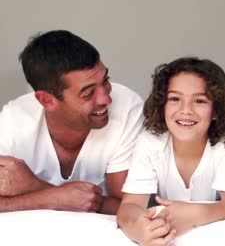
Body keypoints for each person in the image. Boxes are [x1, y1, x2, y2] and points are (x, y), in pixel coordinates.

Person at [0, 30, 143, 214]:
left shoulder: (127, 107)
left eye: (105, 80)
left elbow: (130, 208)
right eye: (88, 93)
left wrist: (34, 186)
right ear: (46, 100)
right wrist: (51, 196)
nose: (106, 99)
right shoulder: (14, 119)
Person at [117, 57, 225, 245]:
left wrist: (194, 213)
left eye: (200, 101)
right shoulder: (149, 143)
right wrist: (139, 229)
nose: (186, 110)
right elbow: (130, 205)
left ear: (216, 110)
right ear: (162, 104)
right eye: (175, 99)